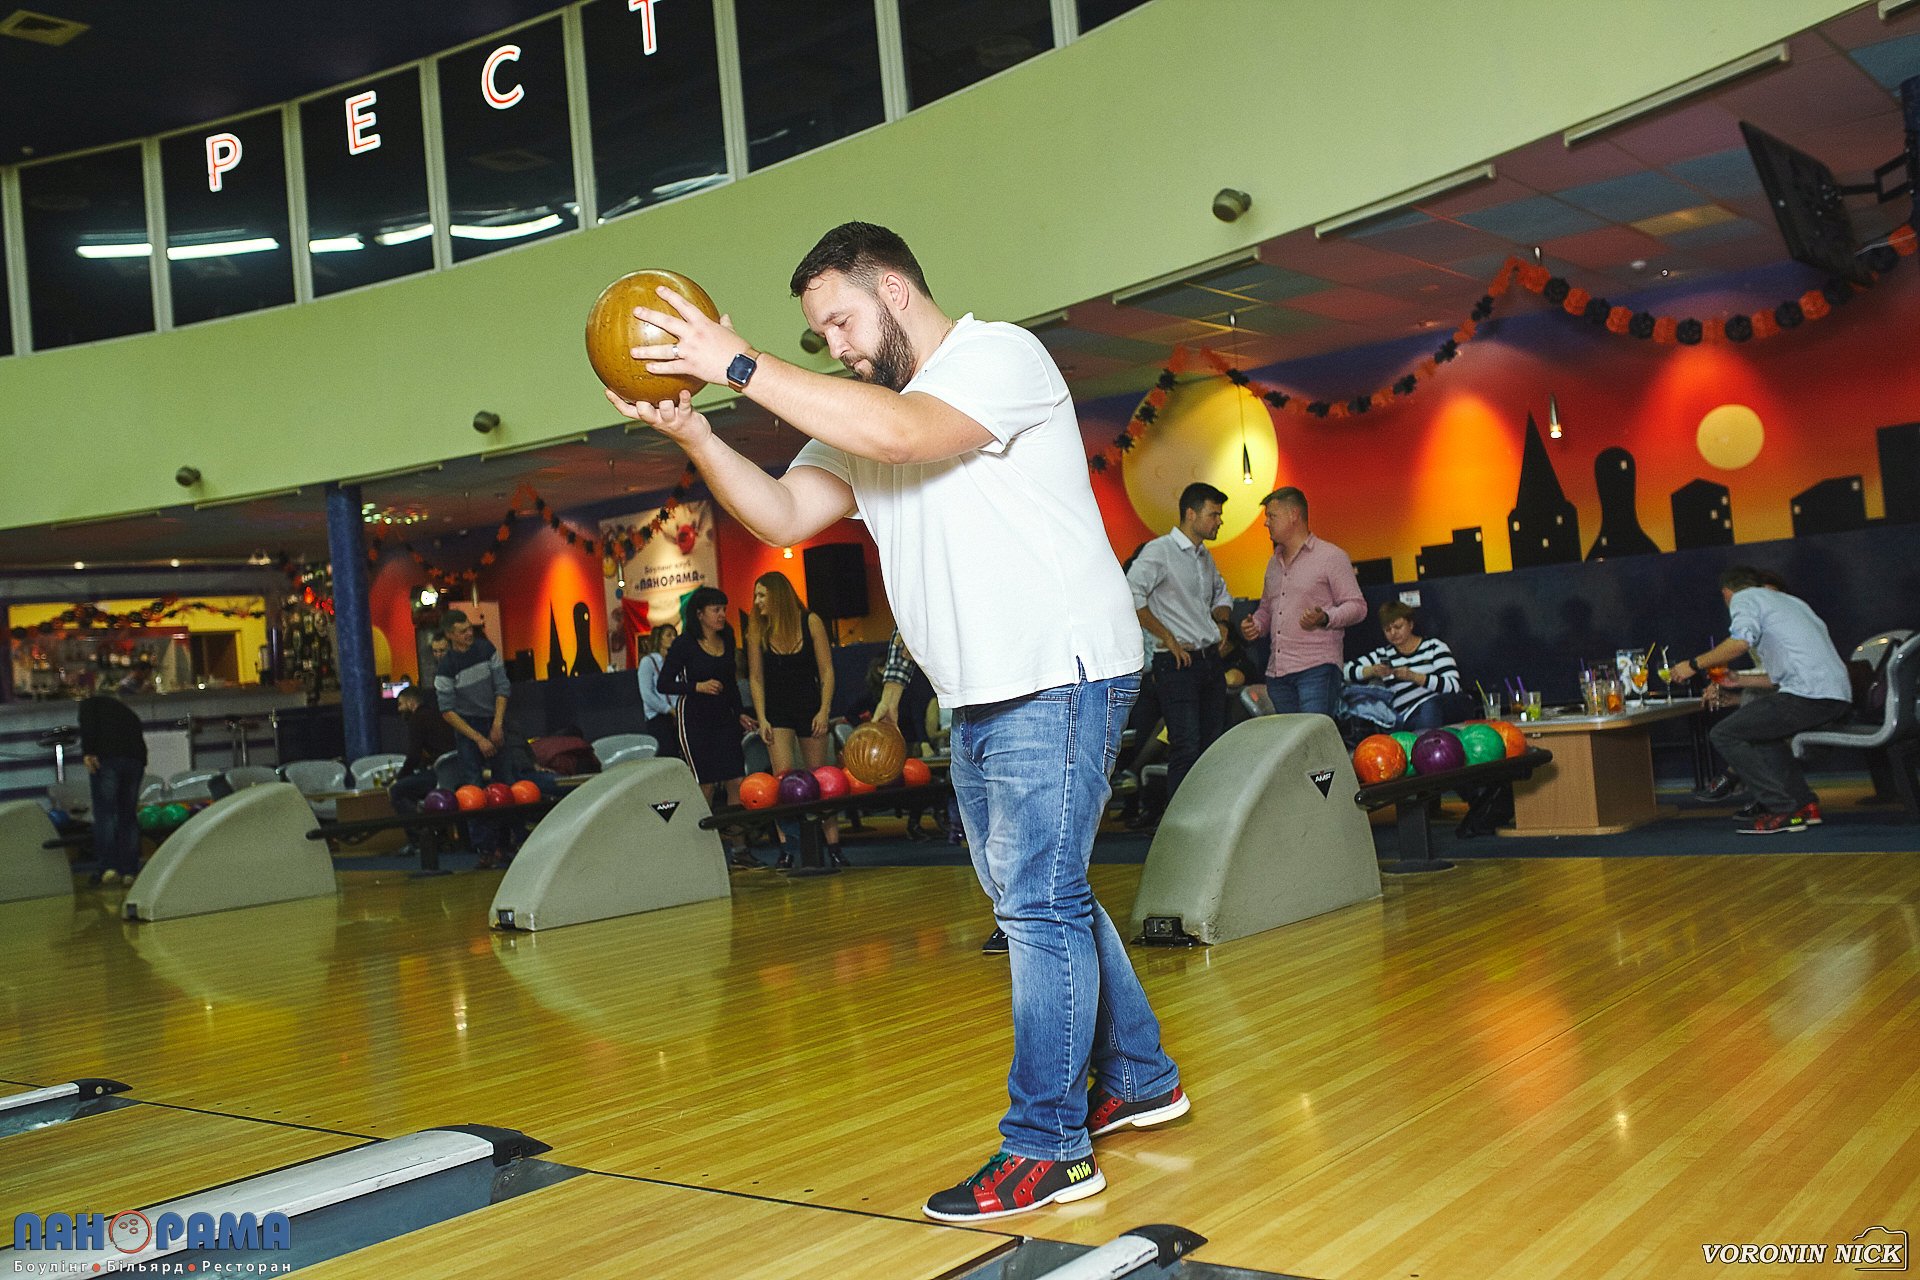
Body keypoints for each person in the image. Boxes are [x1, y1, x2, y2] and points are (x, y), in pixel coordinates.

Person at [606, 220, 1183, 1221]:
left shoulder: (997, 357)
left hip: (1060, 671)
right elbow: (784, 514)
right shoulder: (860, 417)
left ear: (895, 291)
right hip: (980, 689)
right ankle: (1138, 1074)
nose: (833, 344)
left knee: (1036, 904)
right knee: (1040, 892)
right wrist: (696, 432)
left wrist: (737, 361)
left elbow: (906, 436)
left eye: (840, 320)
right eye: (819, 333)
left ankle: (1048, 1148)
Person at [1668, 566, 1851, 835]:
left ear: (1726, 593)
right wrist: (1737, 679)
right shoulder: (1791, 603)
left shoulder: (1745, 598)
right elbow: (1781, 678)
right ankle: (1804, 806)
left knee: (1725, 733)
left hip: (1809, 694)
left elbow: (1740, 643)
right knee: (1761, 733)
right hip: (1833, 694)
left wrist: (1693, 665)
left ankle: (1783, 808)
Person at [1127, 482, 1232, 800]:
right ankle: (1180, 822)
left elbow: (1222, 594)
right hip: (1177, 662)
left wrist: (1223, 622)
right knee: (1185, 746)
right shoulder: (1160, 551)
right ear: (1191, 513)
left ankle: (1207, 816)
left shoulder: (1203, 556)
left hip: (1209, 660)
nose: (1219, 521)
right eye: (1214, 514)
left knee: (1212, 746)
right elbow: (1130, 593)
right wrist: (1167, 637)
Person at [1239, 487, 1364, 719]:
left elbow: (1357, 606)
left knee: (1313, 736)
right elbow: (1266, 610)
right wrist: (1255, 625)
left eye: (1271, 516)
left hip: (1317, 668)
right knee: (1292, 740)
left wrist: (1325, 618)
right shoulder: (1273, 564)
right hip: (1277, 674)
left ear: (1294, 515)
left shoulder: (1331, 556)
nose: (1266, 523)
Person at [747, 571, 843, 868]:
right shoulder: (758, 630)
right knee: (782, 781)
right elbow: (756, 679)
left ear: (777, 595)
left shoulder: (810, 621)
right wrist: (762, 718)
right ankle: (787, 848)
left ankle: (833, 845)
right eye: (756, 595)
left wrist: (824, 711)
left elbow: (827, 671)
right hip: (777, 712)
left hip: (810, 708)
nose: (756, 601)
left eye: (762, 595)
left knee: (819, 779)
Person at [434, 611, 523, 868]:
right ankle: (486, 849)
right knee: (473, 789)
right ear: (450, 635)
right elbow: (447, 712)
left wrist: (497, 724)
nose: (468, 633)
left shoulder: (486, 649)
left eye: (469, 628)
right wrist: (478, 739)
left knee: (507, 782)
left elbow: (502, 686)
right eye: (462, 631)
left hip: (494, 718)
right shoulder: (446, 667)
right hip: (467, 727)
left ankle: (514, 842)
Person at [658, 586, 755, 818]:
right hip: (695, 720)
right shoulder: (684, 644)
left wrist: (739, 712)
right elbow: (663, 684)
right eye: (716, 610)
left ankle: (735, 837)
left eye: (724, 609)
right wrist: (697, 686)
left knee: (736, 780)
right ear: (700, 614)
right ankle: (700, 835)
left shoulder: (727, 637)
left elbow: (730, 682)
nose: (722, 615)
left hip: (724, 717)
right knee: (706, 784)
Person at [1342, 601, 1461, 733]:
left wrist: (1414, 677)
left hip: (1441, 705)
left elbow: (1453, 686)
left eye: (1398, 627)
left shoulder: (1433, 647)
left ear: (1410, 624)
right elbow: (1344, 671)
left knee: (1430, 708)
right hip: (1408, 716)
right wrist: (1372, 670)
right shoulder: (1383, 654)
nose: (1393, 633)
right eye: (1388, 630)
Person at [78, 688, 146, 885]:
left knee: (105, 814)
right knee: (128, 816)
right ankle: (129, 871)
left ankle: (108, 868)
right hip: (135, 762)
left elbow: (88, 727)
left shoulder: (90, 704)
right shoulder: (128, 712)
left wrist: (88, 752)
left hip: (108, 760)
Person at [389, 685, 455, 814]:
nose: (399, 709)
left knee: (396, 790)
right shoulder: (438, 714)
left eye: (401, 704)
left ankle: (418, 824)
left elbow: (414, 756)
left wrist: (399, 778)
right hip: (455, 772)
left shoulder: (417, 719)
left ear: (411, 703)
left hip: (437, 775)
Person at [637, 622, 682, 758]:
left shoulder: (674, 662)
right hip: (658, 717)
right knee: (668, 755)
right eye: (669, 635)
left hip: (677, 715)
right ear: (659, 639)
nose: (673, 638)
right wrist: (668, 709)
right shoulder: (648, 662)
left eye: (675, 635)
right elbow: (647, 694)